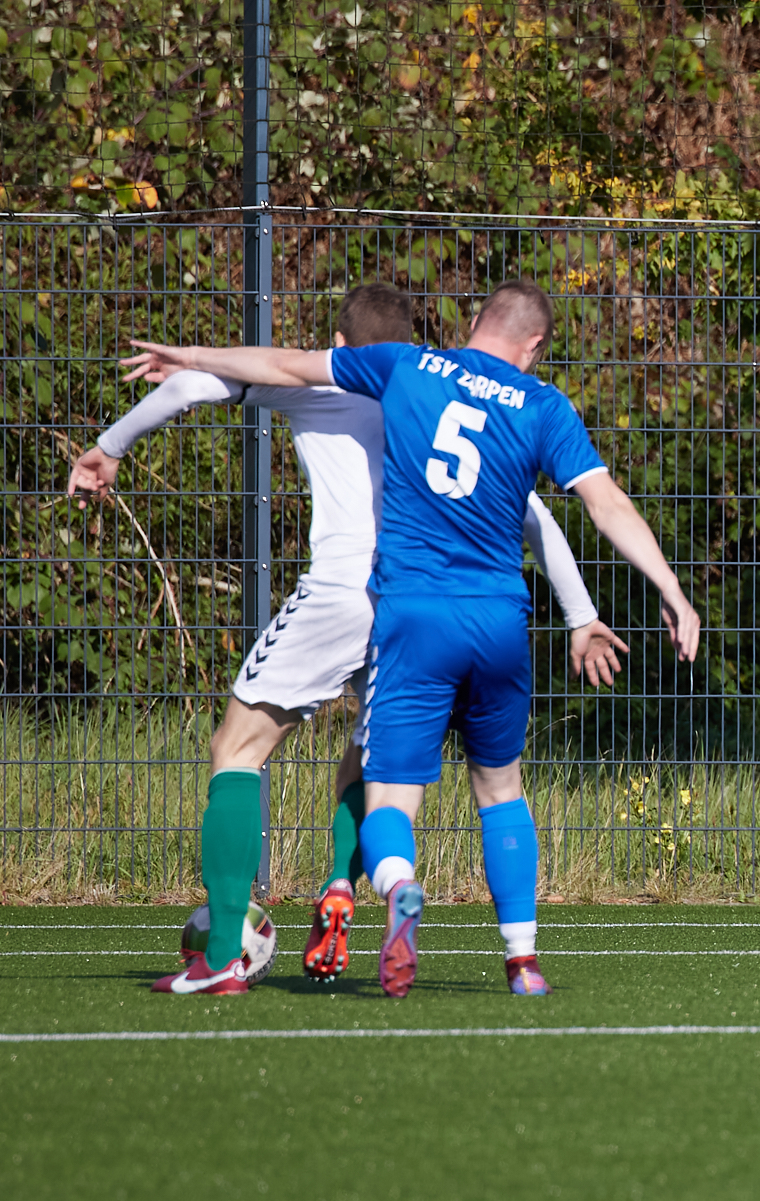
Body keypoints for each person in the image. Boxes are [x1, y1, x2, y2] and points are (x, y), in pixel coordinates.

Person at [122, 277, 701, 998]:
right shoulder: (541, 404)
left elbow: (278, 364)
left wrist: (184, 359)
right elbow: (591, 506)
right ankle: (518, 960)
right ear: (535, 345)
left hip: (408, 614)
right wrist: (656, 594)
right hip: (499, 619)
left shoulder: (407, 368)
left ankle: (367, 897)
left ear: (476, 319)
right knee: (494, 786)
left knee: (356, 785)